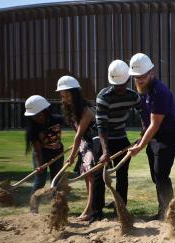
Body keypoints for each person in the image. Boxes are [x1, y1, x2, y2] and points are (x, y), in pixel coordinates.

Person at [127, 53, 175, 220]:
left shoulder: (159, 92)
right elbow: (147, 121)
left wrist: (139, 147)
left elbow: (155, 124)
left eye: (142, 76)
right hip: (154, 137)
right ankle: (163, 210)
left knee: (160, 174)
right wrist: (143, 137)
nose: (139, 79)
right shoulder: (144, 90)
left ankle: (172, 213)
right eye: (136, 77)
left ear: (151, 72)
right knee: (155, 176)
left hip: (167, 137)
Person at [90, 59, 140, 223]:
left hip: (121, 137)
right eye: (116, 84)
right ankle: (96, 212)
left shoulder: (133, 96)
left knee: (122, 174)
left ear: (127, 80)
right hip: (103, 138)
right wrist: (105, 152)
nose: (119, 87)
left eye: (122, 84)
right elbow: (102, 127)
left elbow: (145, 114)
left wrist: (143, 133)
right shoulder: (103, 97)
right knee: (99, 174)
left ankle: (121, 208)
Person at [56, 75, 97, 220]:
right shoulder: (72, 109)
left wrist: (72, 156)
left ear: (75, 93)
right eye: (62, 95)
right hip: (85, 145)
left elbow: (79, 135)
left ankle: (89, 209)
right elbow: (79, 136)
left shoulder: (86, 109)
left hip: (94, 144)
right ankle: (91, 206)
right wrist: (76, 148)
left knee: (90, 176)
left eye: (67, 94)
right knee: (86, 176)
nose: (65, 98)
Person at [23, 95, 64, 212]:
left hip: (57, 153)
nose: (35, 118)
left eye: (37, 115)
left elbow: (75, 125)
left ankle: (56, 207)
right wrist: (40, 164)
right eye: (33, 116)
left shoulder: (57, 119)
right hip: (41, 155)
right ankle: (33, 209)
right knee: (40, 181)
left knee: (56, 180)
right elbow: (37, 149)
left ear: (45, 111)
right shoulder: (33, 128)